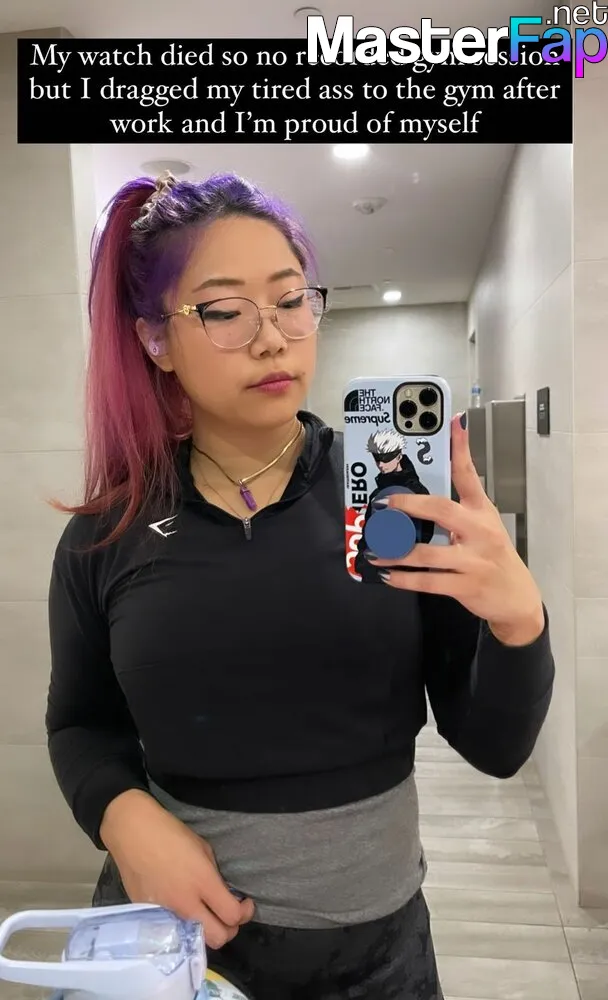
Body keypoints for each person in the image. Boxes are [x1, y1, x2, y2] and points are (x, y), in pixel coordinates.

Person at [46, 171, 554, 1000]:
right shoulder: (109, 533)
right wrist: (122, 816)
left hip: (374, 960)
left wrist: (519, 624)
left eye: (290, 301)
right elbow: (78, 724)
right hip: (175, 952)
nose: (273, 338)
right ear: (155, 340)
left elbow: (494, 748)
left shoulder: (394, 501)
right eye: (225, 311)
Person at [354, 430, 435, 582]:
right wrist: (363, 563)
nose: (381, 464)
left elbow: (425, 535)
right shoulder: (376, 494)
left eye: (386, 458)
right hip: (374, 575)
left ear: (398, 457)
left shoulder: (417, 491)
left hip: (409, 578)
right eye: (377, 459)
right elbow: (367, 533)